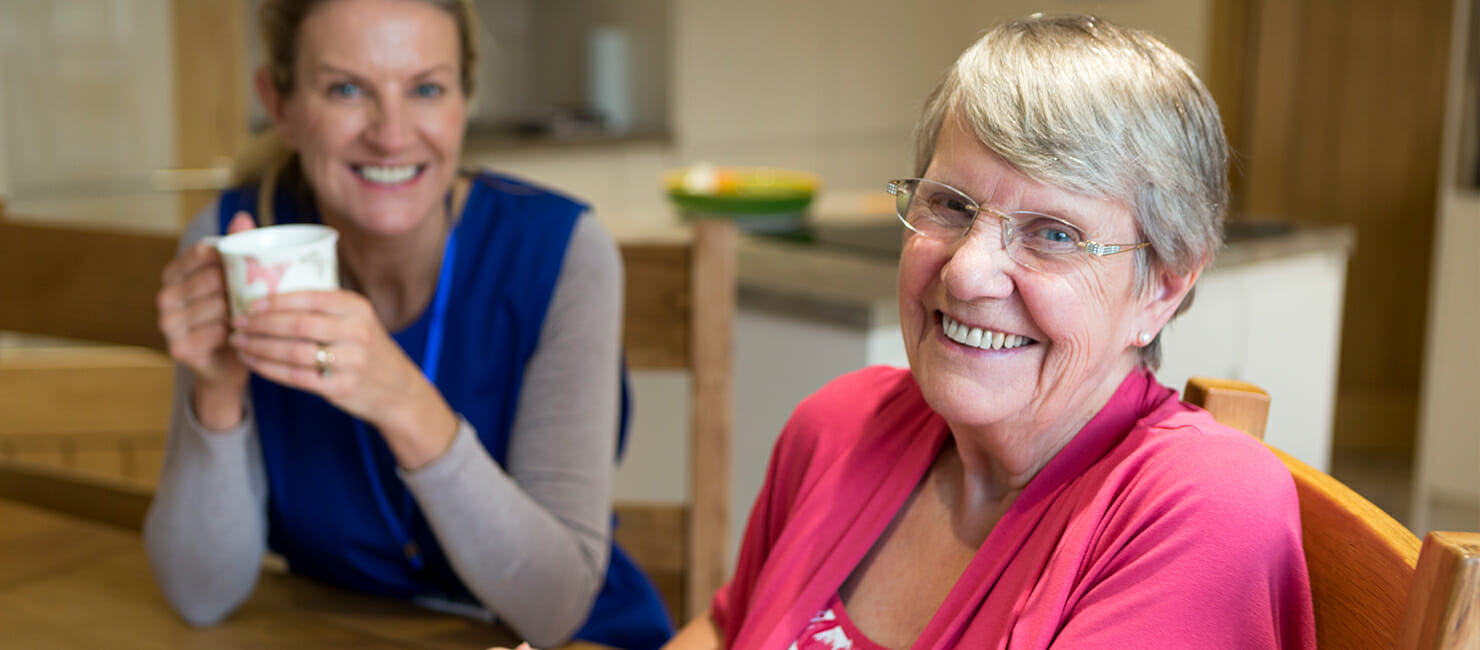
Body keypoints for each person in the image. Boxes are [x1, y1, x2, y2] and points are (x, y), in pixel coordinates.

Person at [665, 13, 1315, 649]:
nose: (968, 272)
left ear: (1165, 284)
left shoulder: (1205, 509)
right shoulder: (838, 426)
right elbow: (728, 627)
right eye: (950, 204)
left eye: (1054, 234)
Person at [145, 1, 671, 648]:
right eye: (346, 89)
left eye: (425, 89)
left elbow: (555, 607)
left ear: (464, 101)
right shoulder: (240, 245)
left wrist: (402, 400)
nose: (392, 135)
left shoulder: (563, 254)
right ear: (280, 104)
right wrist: (218, 393)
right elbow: (200, 595)